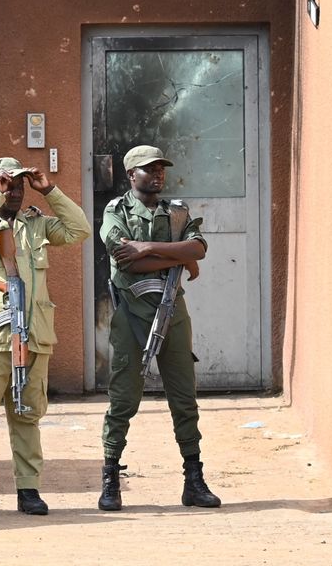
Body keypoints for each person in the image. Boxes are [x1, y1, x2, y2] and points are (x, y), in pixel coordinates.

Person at [0, 156, 91, 518]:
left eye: (19, 185)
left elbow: (79, 230)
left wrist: (50, 190)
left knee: (27, 416)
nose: (15, 191)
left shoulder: (36, 224)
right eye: (8, 184)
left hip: (34, 335)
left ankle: (28, 490)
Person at [97, 144, 222, 511]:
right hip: (132, 314)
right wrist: (176, 257)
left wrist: (147, 248)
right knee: (123, 399)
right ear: (130, 175)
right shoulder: (115, 211)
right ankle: (110, 479)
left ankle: (194, 480)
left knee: (184, 399)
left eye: (161, 168)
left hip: (172, 312)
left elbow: (199, 248)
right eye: (149, 169)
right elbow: (125, 263)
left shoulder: (177, 212)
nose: (157, 174)